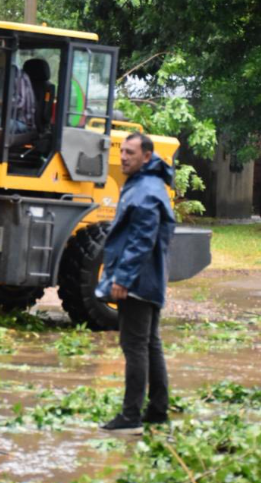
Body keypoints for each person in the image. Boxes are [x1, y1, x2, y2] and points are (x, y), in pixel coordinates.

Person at [98, 132, 176, 434]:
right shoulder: (149, 183)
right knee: (150, 344)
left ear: (147, 156)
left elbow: (141, 240)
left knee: (134, 346)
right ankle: (157, 410)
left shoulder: (145, 190)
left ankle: (131, 415)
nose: (123, 156)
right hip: (151, 277)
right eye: (121, 151)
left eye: (130, 152)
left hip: (140, 281)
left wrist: (123, 278)